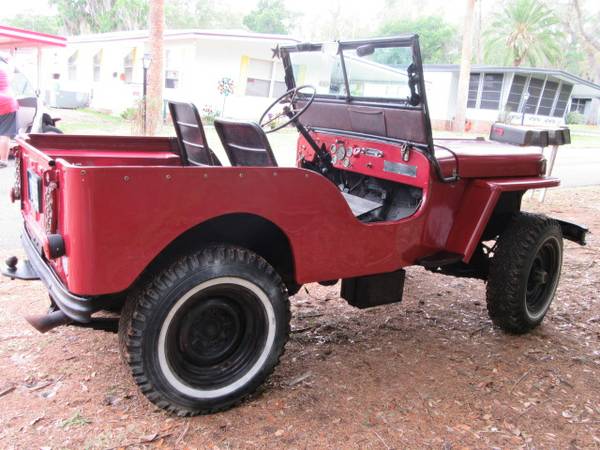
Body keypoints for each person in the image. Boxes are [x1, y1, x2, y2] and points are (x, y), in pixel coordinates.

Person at [0, 66, 18, 168]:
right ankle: (3, 161)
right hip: (8, 102)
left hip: (4, 103)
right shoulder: (3, 69)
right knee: (4, 134)